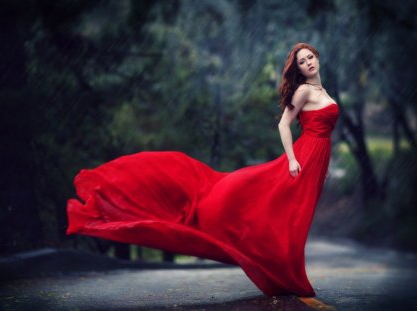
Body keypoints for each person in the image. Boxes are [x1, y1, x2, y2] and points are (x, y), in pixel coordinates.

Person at [66, 42, 339, 297]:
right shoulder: (303, 91)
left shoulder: (322, 91)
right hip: (303, 157)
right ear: (299, 69)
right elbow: (283, 124)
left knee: (295, 214)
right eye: (302, 61)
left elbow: (322, 132)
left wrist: (322, 165)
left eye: (310, 57)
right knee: (281, 210)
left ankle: (286, 273)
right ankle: (287, 274)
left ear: (317, 57)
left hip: (316, 159)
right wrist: (292, 158)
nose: (308, 63)